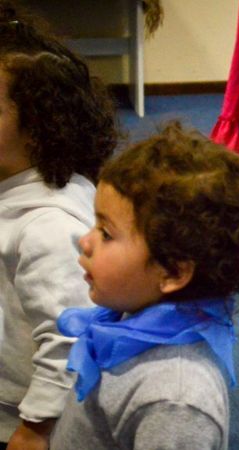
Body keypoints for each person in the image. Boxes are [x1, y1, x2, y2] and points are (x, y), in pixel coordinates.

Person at [48, 122, 239, 449]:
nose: (85, 241)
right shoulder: (128, 317)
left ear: (173, 273)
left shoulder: (174, 401)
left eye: (106, 233)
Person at [0, 3, 118, 448]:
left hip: (27, 416)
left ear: (38, 130)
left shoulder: (47, 226)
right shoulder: (15, 186)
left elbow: (70, 336)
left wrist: (36, 426)